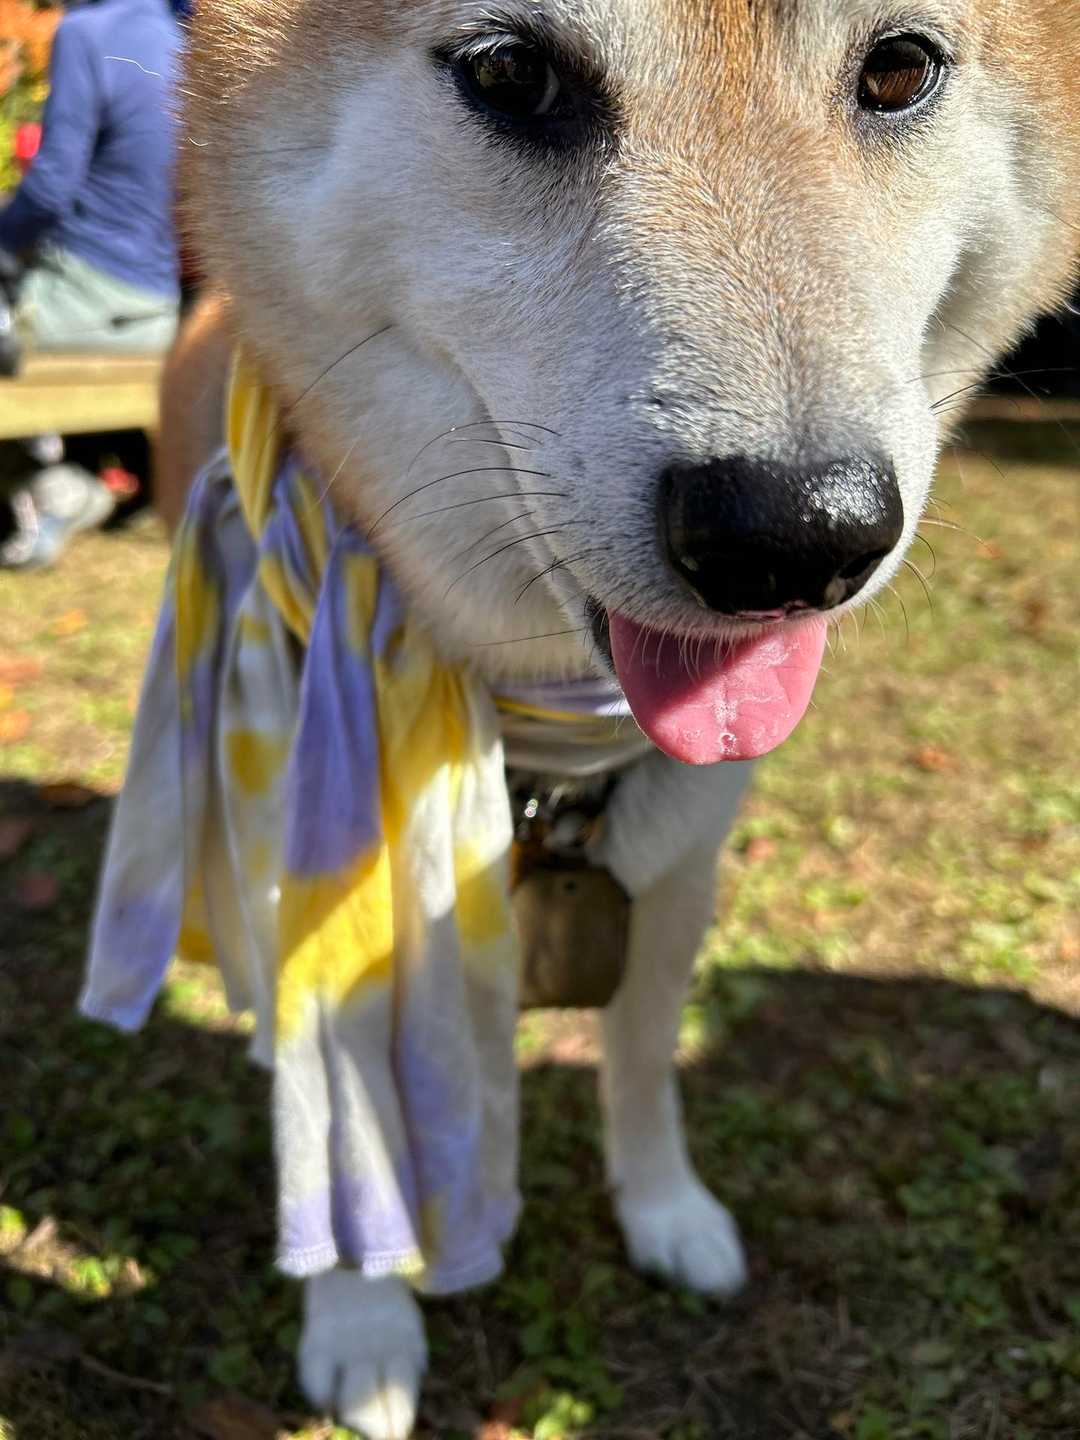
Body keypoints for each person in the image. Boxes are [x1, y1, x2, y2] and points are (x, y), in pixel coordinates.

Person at [0, 0, 183, 567]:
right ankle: (84, 484)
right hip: (159, 308)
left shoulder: (88, 31)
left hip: (80, 299)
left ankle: (52, 492)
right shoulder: (183, 35)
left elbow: (51, 188)